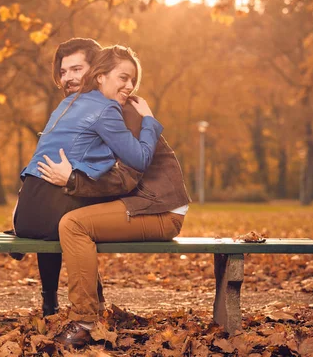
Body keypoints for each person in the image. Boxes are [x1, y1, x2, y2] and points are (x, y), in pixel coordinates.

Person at [38, 73, 191, 349]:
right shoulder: (98, 110)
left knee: (73, 224)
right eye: (64, 72)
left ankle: (84, 323)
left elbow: (127, 178)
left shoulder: (126, 114)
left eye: (131, 79)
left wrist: (72, 180)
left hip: (160, 209)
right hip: (145, 203)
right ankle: (91, 313)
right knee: (74, 221)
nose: (71, 79)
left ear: (97, 75)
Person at [13, 41, 163, 316]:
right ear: (101, 74)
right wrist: (150, 121)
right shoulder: (106, 109)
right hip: (49, 210)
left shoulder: (68, 104)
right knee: (93, 213)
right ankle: (93, 307)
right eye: (64, 71)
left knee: (81, 199)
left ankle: (73, 303)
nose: (68, 77)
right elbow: (139, 160)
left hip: (29, 210)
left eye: (76, 69)